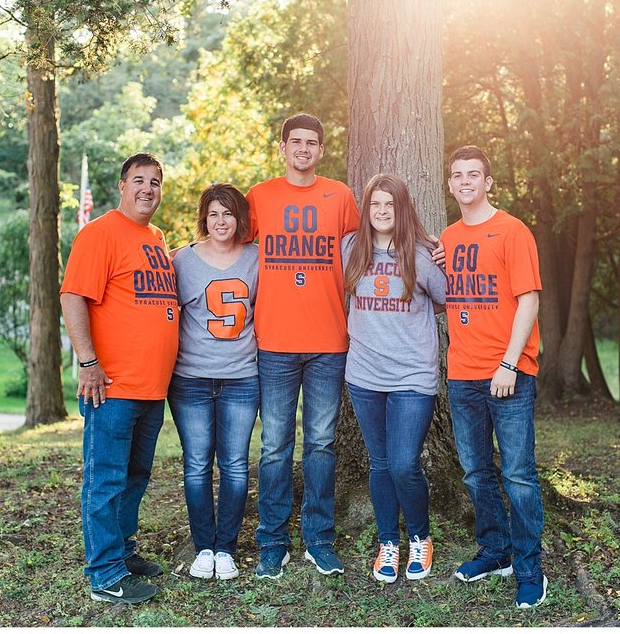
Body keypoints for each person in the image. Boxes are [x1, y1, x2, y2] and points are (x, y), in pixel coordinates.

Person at [245, 113, 361, 578]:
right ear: (282, 147)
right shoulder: (260, 197)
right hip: (273, 342)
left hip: (329, 342)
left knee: (321, 445)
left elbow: (372, 245)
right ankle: (272, 541)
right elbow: (227, 241)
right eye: (296, 141)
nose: (304, 149)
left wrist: (427, 243)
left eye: (312, 142)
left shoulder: (341, 196)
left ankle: (318, 539)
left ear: (321, 150)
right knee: (274, 446)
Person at [60, 152, 178, 605]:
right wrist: (88, 362)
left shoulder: (156, 238)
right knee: (106, 479)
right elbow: (73, 296)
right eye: (139, 180)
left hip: (152, 387)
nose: (148, 189)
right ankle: (106, 574)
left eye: (156, 182)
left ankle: (123, 553)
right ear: (122, 186)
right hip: (112, 387)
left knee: (135, 476)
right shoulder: (100, 233)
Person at [440, 145, 547, 608]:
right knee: (476, 473)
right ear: (450, 184)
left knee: (518, 475)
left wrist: (508, 363)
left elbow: (529, 300)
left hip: (509, 375)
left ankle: (529, 570)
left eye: (474, 174)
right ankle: (495, 551)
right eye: (458, 175)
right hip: (462, 374)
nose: (465, 181)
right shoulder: (447, 238)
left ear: (488, 182)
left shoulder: (512, 231)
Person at [341, 174, 447, 584]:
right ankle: (389, 541)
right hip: (364, 374)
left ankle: (420, 537)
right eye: (375, 205)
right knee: (380, 463)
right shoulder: (351, 248)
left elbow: (444, 299)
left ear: (401, 209)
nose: (382, 212)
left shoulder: (421, 254)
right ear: (366, 209)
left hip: (412, 375)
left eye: (389, 205)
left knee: (404, 464)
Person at [167, 183, 259, 581]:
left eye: (229, 213)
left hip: (242, 376)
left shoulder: (257, 258)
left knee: (237, 466)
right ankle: (204, 545)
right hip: (191, 379)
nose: (221, 221)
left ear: (240, 218)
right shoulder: (180, 261)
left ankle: (227, 547)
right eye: (214, 213)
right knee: (197, 464)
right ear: (204, 218)